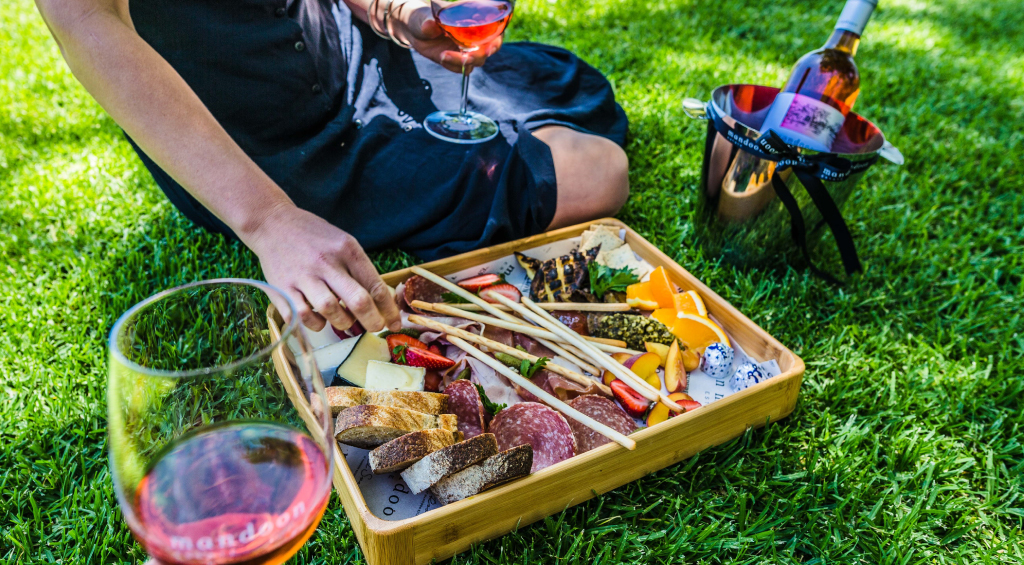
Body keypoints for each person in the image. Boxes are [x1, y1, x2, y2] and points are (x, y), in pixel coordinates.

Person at [36, 0, 631, 336]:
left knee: (566, 82)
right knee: (597, 173)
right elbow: (86, 22)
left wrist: (387, 10)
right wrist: (270, 220)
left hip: (347, 51)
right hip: (263, 149)